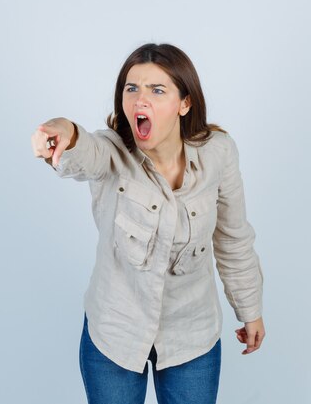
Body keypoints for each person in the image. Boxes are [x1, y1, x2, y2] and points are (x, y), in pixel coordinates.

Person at [30, 43, 265, 404]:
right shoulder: (111, 150)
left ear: (184, 103)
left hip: (192, 337)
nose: (141, 99)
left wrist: (249, 310)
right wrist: (63, 131)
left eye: (157, 90)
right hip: (114, 336)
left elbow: (233, 238)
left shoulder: (219, 153)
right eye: (132, 88)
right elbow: (84, 151)